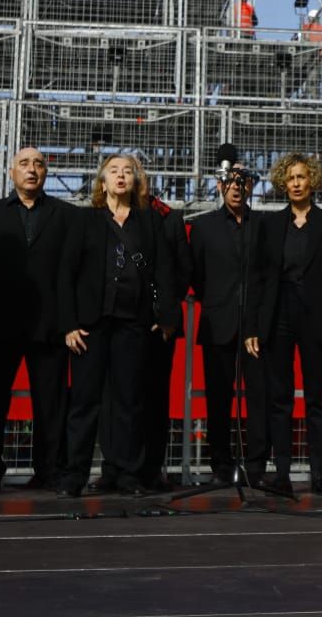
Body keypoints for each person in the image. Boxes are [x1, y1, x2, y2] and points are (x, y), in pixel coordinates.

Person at [59, 154, 176, 496]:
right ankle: (74, 476)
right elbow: (66, 274)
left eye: (127, 171)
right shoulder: (85, 221)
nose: (121, 176)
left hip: (133, 324)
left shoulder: (150, 222)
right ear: (102, 182)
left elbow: (164, 271)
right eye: (114, 171)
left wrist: (166, 317)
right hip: (90, 326)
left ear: (135, 181)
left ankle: (128, 474)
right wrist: (68, 324)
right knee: (83, 403)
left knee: (129, 401)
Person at [245, 152, 322, 497]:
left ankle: (318, 475)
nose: (295, 184)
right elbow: (257, 281)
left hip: (317, 317)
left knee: (317, 399)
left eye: (301, 177)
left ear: (312, 181)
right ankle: (283, 475)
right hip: (278, 318)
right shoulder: (269, 225)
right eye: (290, 178)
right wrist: (252, 328)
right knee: (280, 399)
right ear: (282, 183)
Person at [0, 146, 72, 493]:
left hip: (50, 324)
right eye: (25, 164)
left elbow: (70, 273)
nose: (32, 170)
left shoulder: (65, 215)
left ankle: (50, 471)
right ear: (11, 172)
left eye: (39, 164)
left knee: (51, 403)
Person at [187, 166, 268, 483]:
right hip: (217, 320)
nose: (236, 188)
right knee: (218, 398)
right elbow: (197, 275)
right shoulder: (204, 226)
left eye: (242, 182)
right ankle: (220, 463)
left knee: (259, 396)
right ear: (219, 186)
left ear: (250, 186)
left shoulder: (263, 225)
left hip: (256, 326)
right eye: (229, 182)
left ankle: (258, 464)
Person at [134, 181, 190, 491]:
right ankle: (120, 467)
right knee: (121, 399)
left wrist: (166, 312)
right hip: (123, 322)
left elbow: (183, 271)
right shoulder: (112, 216)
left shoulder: (169, 218)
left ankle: (152, 468)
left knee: (155, 399)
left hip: (159, 326)